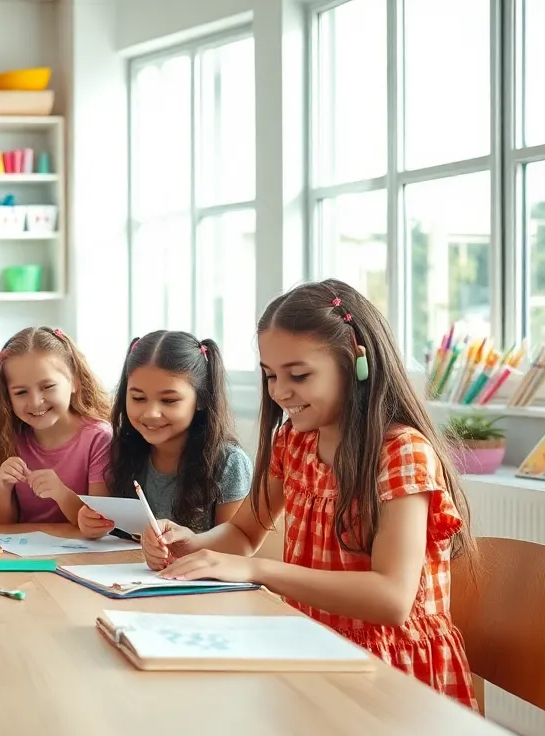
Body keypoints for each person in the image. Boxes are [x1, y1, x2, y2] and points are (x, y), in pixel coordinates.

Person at [150, 279, 478, 709]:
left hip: (391, 671)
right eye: (270, 376)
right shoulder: (295, 441)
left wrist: (256, 571)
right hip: (313, 644)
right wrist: (189, 545)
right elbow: (244, 533)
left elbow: (392, 599)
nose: (280, 392)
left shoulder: (401, 452)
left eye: (299, 375)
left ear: (355, 362)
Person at [77, 331, 250, 539]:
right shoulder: (121, 449)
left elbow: (233, 548)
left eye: (168, 401)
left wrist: (191, 541)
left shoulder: (229, 462)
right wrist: (91, 523)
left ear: (201, 399)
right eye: (138, 398)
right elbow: (115, 532)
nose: (151, 414)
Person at [0, 326, 112, 525]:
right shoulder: (9, 437)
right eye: (21, 392)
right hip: (26, 553)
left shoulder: (98, 437)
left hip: (82, 554)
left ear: (75, 382)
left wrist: (61, 494)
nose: (35, 402)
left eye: (48, 387)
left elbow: (101, 521)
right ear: (7, 397)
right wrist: (2, 487)